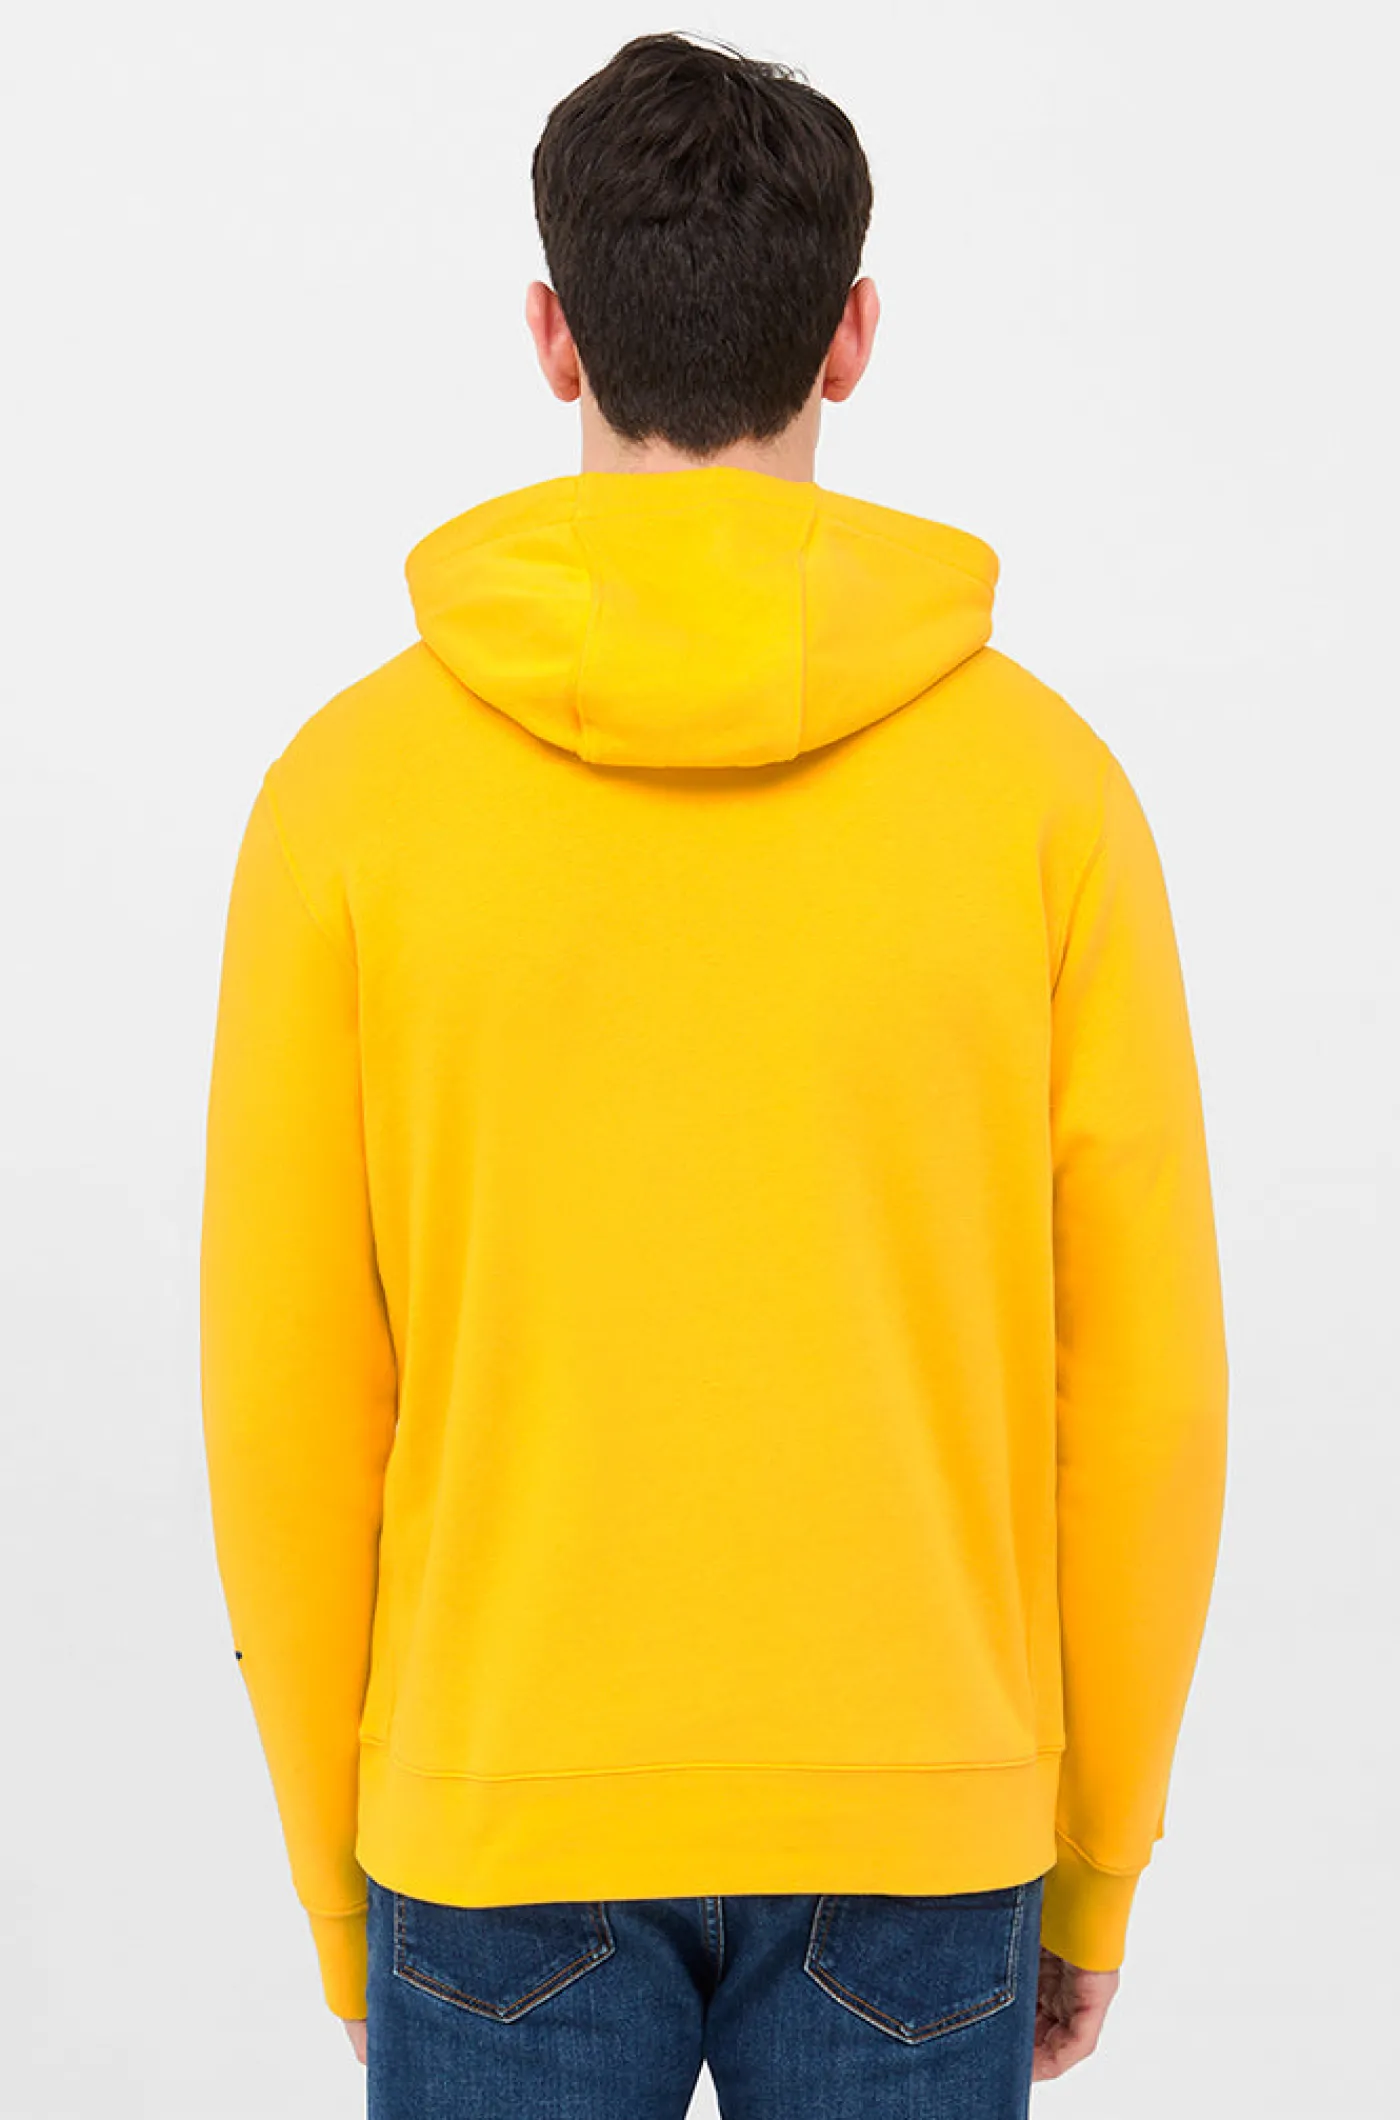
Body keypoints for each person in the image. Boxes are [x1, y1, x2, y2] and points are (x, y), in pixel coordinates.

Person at [199, 30, 1229, 2117]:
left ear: (550, 334)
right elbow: (1144, 1384)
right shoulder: (1045, 796)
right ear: (850, 335)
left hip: (497, 1819)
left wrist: (337, 1883)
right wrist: (1096, 1856)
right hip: (921, 1819)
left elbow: (288, 1397)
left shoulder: (348, 800)